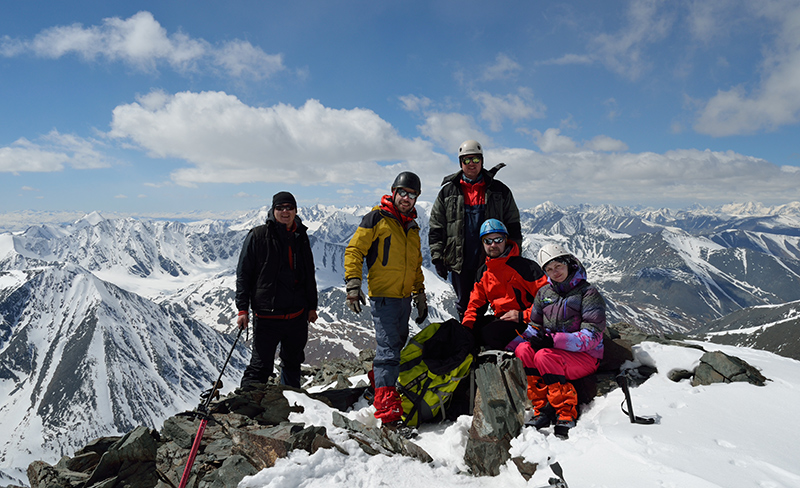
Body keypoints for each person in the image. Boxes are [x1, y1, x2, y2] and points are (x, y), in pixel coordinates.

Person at [344, 172, 428, 425]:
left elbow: (415, 265)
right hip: (383, 297)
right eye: (403, 192)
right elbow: (355, 249)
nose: (407, 198)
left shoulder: (412, 227)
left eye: (412, 195)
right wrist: (353, 283)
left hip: (403, 298)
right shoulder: (376, 218)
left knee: (396, 346)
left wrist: (419, 292)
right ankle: (388, 413)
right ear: (393, 191)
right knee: (389, 353)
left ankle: (377, 389)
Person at [514, 243, 606, 439]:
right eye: (549, 269)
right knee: (523, 350)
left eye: (558, 266)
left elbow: (591, 337)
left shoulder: (588, 293)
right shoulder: (544, 293)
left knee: (544, 356)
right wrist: (516, 344)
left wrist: (552, 340)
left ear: (569, 263)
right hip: (557, 352)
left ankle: (565, 413)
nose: (555, 272)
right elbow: (535, 327)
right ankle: (542, 409)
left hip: (586, 357)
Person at [429, 139, 522, 320]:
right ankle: (469, 338)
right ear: (460, 163)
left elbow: (513, 225)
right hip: (459, 259)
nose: (471, 164)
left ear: (482, 161)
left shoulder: (499, 191)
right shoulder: (448, 192)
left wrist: (515, 254)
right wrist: (437, 257)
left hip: (493, 257)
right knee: (465, 303)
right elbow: (436, 227)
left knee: (499, 300)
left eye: (475, 160)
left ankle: (495, 338)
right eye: (466, 160)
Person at [235, 191, 318, 389]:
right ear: (273, 211)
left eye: (289, 207)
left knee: (292, 362)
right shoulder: (258, 235)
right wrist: (242, 309)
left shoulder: (301, 236)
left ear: (295, 210)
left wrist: (311, 306)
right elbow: (243, 274)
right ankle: (246, 406)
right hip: (267, 316)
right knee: (260, 366)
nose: (285, 211)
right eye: (280, 208)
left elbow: (308, 272)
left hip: (296, 315)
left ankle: (290, 402)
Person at [461, 219, 547, 351]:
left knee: (490, 334)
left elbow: (547, 300)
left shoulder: (526, 268)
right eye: (488, 241)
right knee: (469, 331)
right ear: (483, 243)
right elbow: (474, 305)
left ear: (505, 239)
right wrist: (466, 328)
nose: (493, 245)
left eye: (498, 240)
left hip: (527, 322)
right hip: (503, 320)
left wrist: (522, 315)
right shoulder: (483, 272)